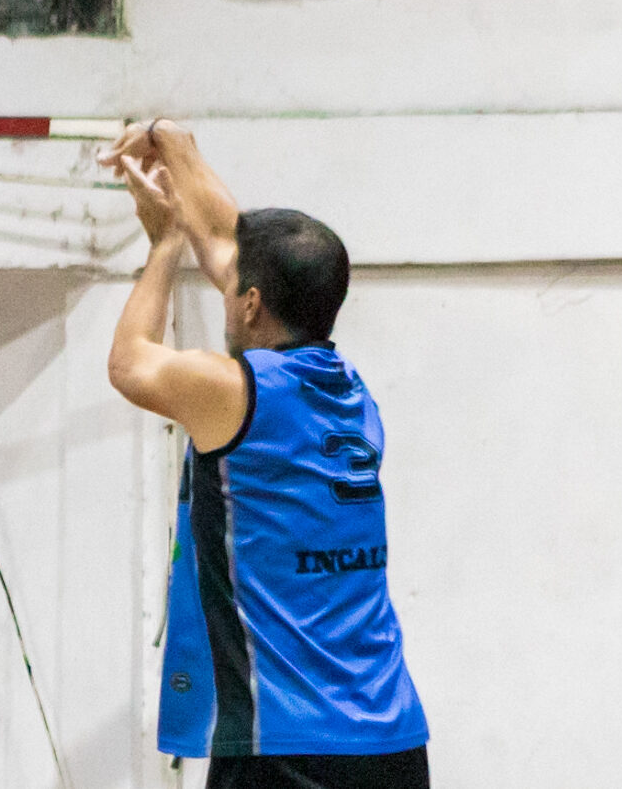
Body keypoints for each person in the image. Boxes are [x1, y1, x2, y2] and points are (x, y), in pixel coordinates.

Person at [100, 120, 429, 789]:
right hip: (393, 742)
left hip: (286, 747)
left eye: (234, 290)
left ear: (251, 304)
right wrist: (172, 142)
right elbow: (233, 250)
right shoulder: (351, 393)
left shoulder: (235, 391)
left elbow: (129, 362)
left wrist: (164, 244)